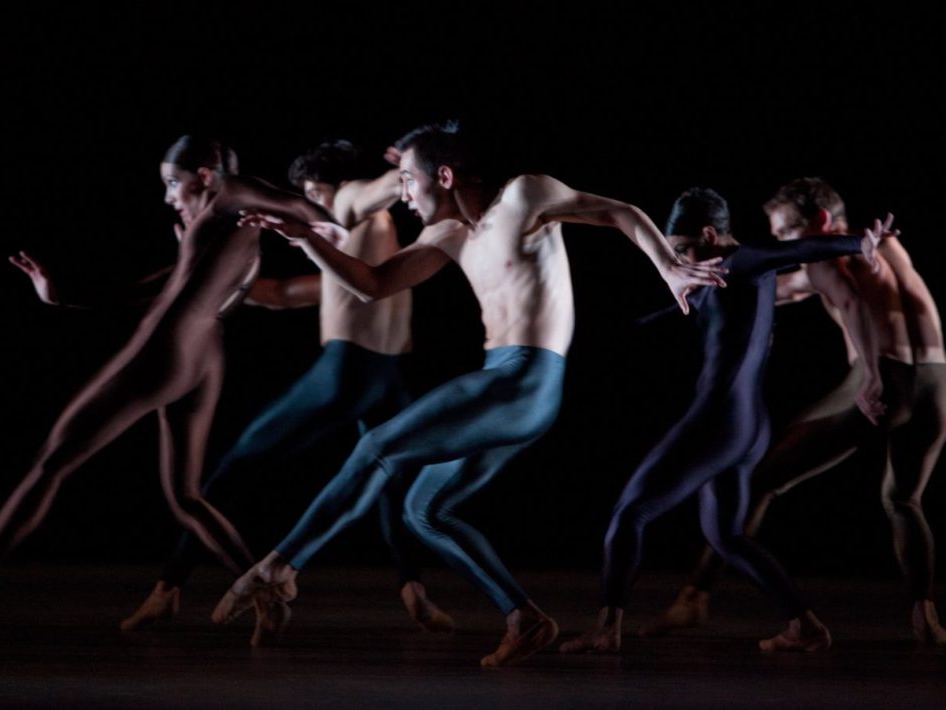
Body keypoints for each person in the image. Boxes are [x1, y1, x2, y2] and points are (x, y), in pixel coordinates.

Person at [212, 121, 727, 667]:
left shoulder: (525, 196)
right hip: (503, 389)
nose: (403, 192)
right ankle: (525, 618)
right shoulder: (449, 235)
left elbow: (618, 211)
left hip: (523, 381)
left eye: (408, 179)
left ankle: (280, 569)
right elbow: (371, 284)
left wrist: (668, 266)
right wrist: (308, 240)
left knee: (375, 448)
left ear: (447, 175)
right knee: (422, 509)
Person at [0, 135, 328, 631]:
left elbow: (288, 201)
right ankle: (261, 588)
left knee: (53, 460)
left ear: (205, 174)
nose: (167, 196)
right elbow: (169, 281)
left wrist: (322, 224)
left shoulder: (230, 196)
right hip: (206, 359)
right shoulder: (228, 229)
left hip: (166, 351)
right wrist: (65, 297)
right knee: (185, 497)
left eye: (173, 183)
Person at [120, 141, 453, 641]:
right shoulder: (365, 251)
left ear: (331, 189)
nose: (309, 204)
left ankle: (169, 588)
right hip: (389, 381)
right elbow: (280, 294)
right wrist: (209, 270)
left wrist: (406, 161)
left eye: (312, 193)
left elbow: (373, 193)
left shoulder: (347, 203)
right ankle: (414, 590)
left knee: (235, 467)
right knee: (388, 485)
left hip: (345, 375)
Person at [644, 178, 946, 645]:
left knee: (759, 477)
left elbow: (847, 299)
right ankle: (925, 615)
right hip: (936, 383)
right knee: (903, 500)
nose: (782, 243)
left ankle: (694, 598)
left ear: (821, 222)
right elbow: (782, 286)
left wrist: (870, 375)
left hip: (886, 377)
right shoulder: (886, 249)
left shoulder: (828, 254)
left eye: (785, 233)